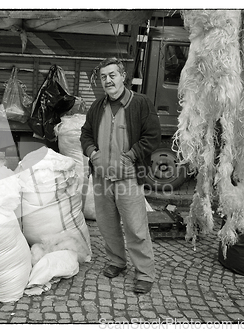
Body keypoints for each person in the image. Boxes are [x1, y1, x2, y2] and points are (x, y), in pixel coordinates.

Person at [80, 58, 161, 294]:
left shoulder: (140, 103)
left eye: (112, 75)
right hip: (102, 178)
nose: (108, 80)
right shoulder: (97, 107)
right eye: (103, 77)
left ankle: (144, 273)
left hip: (128, 177)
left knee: (135, 227)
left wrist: (132, 155)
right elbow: (85, 134)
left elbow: (152, 136)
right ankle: (117, 261)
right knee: (107, 225)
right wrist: (92, 153)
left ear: (123, 76)